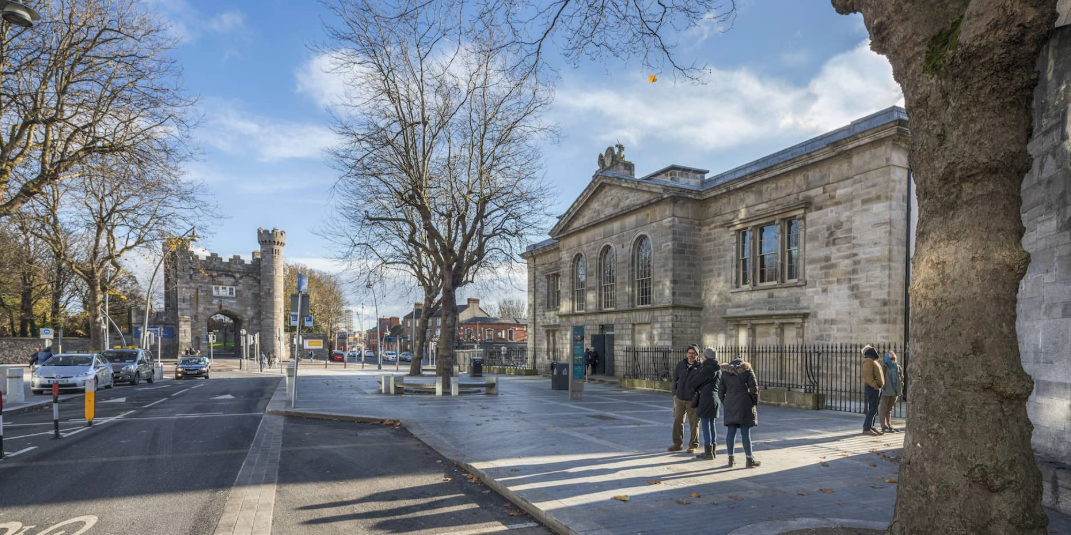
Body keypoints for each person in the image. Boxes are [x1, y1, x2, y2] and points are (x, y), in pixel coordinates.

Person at [720, 356, 760, 468]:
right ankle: (749, 459)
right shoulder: (747, 370)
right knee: (745, 433)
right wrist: (753, 402)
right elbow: (754, 388)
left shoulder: (725, 372)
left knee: (731, 431)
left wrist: (726, 402)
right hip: (744, 402)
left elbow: (721, 391)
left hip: (730, 401)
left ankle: (730, 459)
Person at [686, 347, 722, 460]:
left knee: (705, 425)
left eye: (703, 356)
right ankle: (713, 450)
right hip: (715, 398)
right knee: (712, 425)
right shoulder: (718, 368)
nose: (701, 358)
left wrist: (700, 367)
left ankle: (708, 452)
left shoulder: (706, 369)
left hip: (706, 398)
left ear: (706, 357)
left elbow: (694, 382)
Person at [668, 344, 702, 453]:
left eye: (694, 353)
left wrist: (699, 395)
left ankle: (693, 445)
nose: (691, 355)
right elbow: (674, 379)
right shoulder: (680, 365)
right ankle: (677, 444)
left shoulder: (700, 366)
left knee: (694, 423)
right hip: (680, 399)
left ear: (697, 355)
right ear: (687, 354)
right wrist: (674, 393)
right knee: (678, 421)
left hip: (693, 400)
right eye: (689, 353)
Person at [860, 345, 886, 436]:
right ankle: (866, 428)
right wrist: (875, 385)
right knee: (872, 409)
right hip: (872, 388)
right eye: (870, 348)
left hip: (876, 387)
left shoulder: (873, 360)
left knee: (874, 409)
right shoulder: (868, 361)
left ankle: (871, 426)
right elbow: (868, 377)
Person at [879, 349, 904, 433]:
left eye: (893, 356)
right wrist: (883, 386)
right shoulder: (884, 366)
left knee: (889, 409)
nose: (892, 359)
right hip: (886, 391)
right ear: (887, 358)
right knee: (883, 408)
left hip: (894, 391)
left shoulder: (897, 367)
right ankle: (883, 426)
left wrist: (901, 386)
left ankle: (889, 425)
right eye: (891, 357)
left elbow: (902, 378)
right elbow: (880, 377)